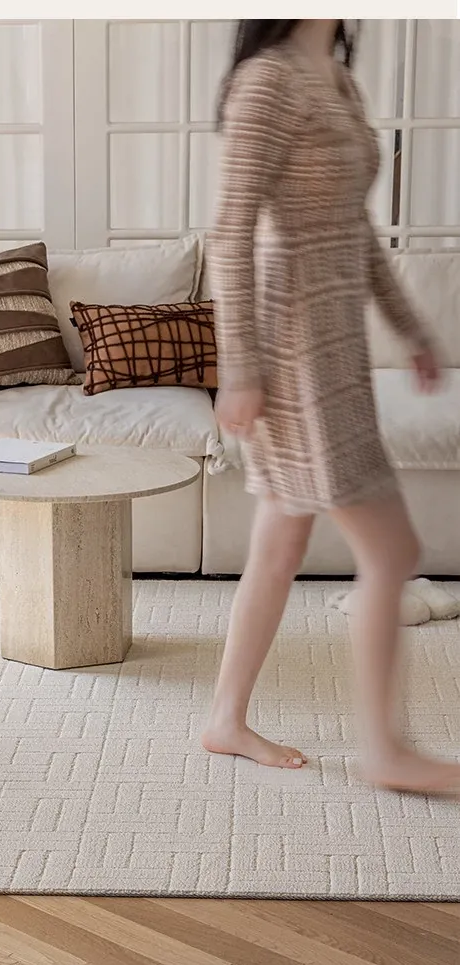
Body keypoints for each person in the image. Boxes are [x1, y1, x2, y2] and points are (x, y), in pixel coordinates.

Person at [201, 19, 460, 794]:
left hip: (336, 343)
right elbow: (231, 232)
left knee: (280, 543)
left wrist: (412, 329)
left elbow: (357, 231)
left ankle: (225, 720)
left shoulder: (337, 80)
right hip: (295, 355)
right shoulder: (268, 80)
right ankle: (387, 753)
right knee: (393, 552)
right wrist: (241, 369)